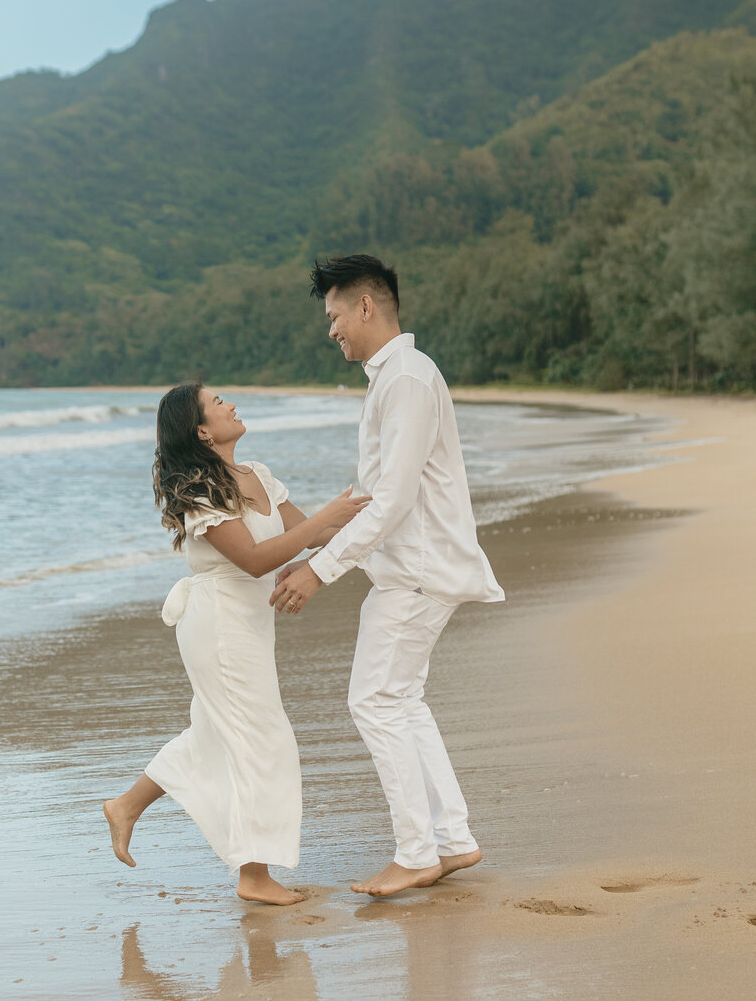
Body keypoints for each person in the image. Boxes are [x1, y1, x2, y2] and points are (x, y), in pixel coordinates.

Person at [270, 255, 504, 897]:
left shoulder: (404, 377)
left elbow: (393, 498)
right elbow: (376, 494)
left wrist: (319, 571)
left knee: (374, 701)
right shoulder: (400, 376)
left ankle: (416, 851)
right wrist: (317, 547)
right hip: (419, 567)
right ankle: (451, 840)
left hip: (417, 571)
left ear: (366, 306)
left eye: (335, 314)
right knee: (400, 700)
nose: (332, 330)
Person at [103, 383, 369, 905]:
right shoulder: (198, 492)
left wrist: (374, 508)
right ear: (202, 430)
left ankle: (126, 806)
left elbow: (309, 535)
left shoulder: (257, 475)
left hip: (247, 622)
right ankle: (254, 875)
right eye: (216, 402)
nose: (229, 403)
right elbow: (253, 559)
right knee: (261, 738)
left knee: (215, 736)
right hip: (218, 624)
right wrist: (322, 521)